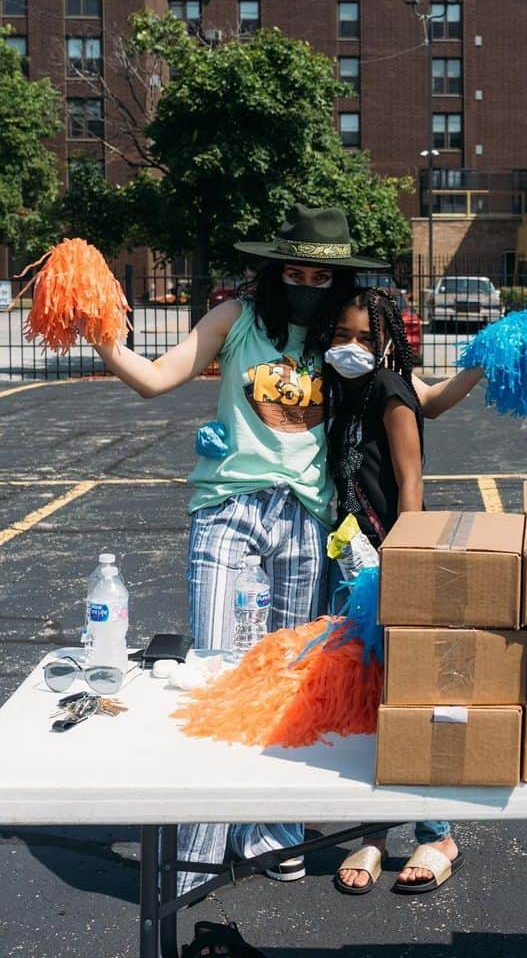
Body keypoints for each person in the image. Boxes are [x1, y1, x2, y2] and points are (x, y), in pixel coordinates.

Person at [91, 204, 392, 892]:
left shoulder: (341, 333)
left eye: (323, 273)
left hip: (305, 517)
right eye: (296, 269)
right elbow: (157, 377)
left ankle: (270, 834)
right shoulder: (236, 318)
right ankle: (199, 845)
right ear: (274, 267)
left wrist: (485, 365)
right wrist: (101, 336)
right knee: (216, 668)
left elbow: (408, 397)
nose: (308, 282)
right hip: (228, 507)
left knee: (288, 680)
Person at [321, 286, 466, 897]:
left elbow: (411, 481)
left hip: (385, 560)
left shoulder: (389, 390)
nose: (351, 347)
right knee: (365, 698)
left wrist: (400, 568)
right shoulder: (343, 389)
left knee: (405, 693)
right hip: (347, 558)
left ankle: (437, 833)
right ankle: (375, 833)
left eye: (364, 338)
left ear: (385, 342)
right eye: (342, 336)